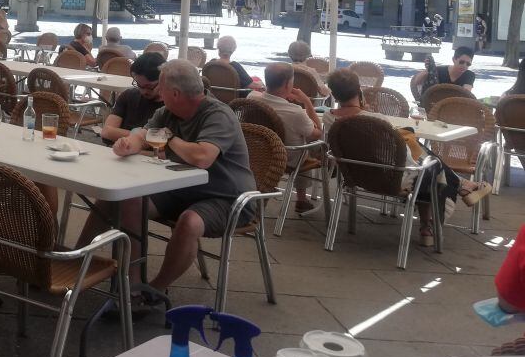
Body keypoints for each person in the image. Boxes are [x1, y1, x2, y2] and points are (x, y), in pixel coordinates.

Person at [84, 60, 257, 296]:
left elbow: (202, 157)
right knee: (126, 201)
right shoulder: (167, 112)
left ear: (174, 93)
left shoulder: (218, 114)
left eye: (161, 89)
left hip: (228, 198)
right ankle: (128, 283)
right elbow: (143, 135)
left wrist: (169, 137)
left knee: (189, 222)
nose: (158, 94)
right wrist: (128, 144)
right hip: (181, 189)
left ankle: (155, 290)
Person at [323, 68, 490, 246]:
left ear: (334, 94)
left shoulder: (328, 118)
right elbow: (407, 159)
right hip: (392, 178)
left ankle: (462, 187)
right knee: (430, 166)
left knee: (426, 159)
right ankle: (435, 218)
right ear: (359, 90)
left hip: (356, 176)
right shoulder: (377, 119)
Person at [248, 63, 321, 213]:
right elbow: (317, 132)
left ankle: (301, 198)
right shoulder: (295, 112)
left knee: (300, 140)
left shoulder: (252, 99)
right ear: (288, 83)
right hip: (288, 158)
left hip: (258, 153)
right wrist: (307, 102)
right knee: (307, 145)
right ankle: (301, 198)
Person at [100, 52, 166, 144]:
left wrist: (124, 137)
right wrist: (146, 138)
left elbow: (167, 146)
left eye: (149, 87)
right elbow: (107, 132)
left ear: (163, 80)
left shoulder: (171, 106)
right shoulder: (128, 96)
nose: (144, 91)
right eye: (139, 85)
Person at [410, 45, 476, 99]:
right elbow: (416, 82)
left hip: (455, 106)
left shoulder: (469, 75)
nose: (464, 66)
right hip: (434, 104)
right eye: (461, 62)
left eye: (468, 64)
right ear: (454, 59)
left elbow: (466, 93)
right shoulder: (438, 70)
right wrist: (428, 70)